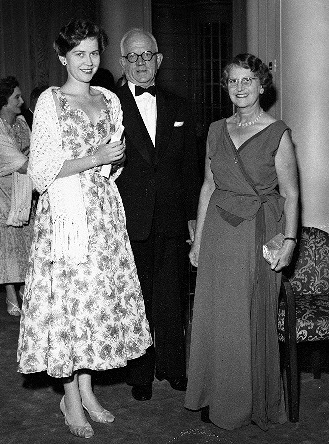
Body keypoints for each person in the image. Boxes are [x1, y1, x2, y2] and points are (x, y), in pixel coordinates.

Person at [17, 19, 152, 439]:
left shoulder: (110, 98)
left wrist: (113, 158)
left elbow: (114, 162)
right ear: (63, 57)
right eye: (79, 54)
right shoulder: (51, 103)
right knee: (69, 309)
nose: (89, 62)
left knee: (93, 305)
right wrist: (94, 158)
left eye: (94, 53)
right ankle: (69, 399)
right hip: (65, 219)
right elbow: (41, 172)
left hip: (103, 214)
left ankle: (88, 391)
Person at [184, 53, 299, 431]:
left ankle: (244, 403)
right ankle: (213, 394)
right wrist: (198, 241)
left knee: (245, 318)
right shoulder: (217, 129)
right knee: (215, 317)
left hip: (257, 232)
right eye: (232, 81)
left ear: (262, 85)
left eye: (247, 80)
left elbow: (292, 194)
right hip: (217, 231)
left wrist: (289, 241)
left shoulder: (277, 131)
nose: (239, 87)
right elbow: (208, 185)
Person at [116, 28, 201, 401]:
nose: (140, 63)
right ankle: (140, 375)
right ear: (122, 63)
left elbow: (191, 167)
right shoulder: (109, 105)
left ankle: (173, 366)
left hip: (170, 217)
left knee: (171, 294)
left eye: (146, 55)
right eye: (132, 57)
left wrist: (192, 218)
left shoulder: (180, 105)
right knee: (136, 298)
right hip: (128, 218)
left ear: (159, 60)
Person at [0, 76, 34, 316]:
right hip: (3, 191)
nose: (21, 101)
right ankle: (11, 293)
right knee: (8, 244)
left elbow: (36, 150)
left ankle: (24, 288)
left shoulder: (22, 122)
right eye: (17, 97)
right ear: (3, 102)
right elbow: (19, 163)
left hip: (24, 190)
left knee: (26, 241)